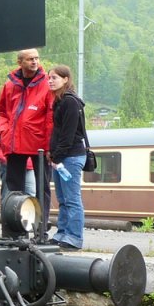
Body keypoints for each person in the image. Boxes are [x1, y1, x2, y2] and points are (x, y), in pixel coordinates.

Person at [0, 49, 53, 219]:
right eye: (30, 59)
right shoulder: (9, 85)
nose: (34, 62)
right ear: (20, 62)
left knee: (42, 187)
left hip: (39, 144)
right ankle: (16, 225)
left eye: (36, 58)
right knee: (14, 189)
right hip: (14, 143)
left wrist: (49, 147)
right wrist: (5, 131)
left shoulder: (47, 84)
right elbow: (2, 112)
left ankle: (40, 226)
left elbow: (50, 117)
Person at [47, 65, 87, 251]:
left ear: (65, 79)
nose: (50, 81)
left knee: (72, 199)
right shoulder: (59, 101)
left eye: (54, 77)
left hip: (70, 157)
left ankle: (74, 238)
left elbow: (68, 135)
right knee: (63, 199)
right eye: (49, 78)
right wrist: (54, 155)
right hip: (62, 158)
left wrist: (56, 156)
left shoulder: (70, 102)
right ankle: (62, 233)